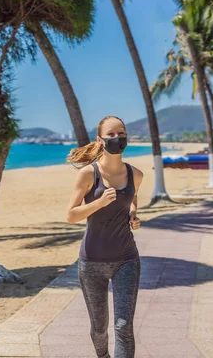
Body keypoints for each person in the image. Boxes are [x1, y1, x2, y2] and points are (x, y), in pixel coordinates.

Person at [65, 116, 143, 358]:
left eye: (121, 132)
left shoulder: (136, 175)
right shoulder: (89, 174)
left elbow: (132, 202)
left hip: (126, 260)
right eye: (111, 134)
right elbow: (71, 215)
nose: (117, 138)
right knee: (99, 329)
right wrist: (99, 203)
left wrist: (133, 215)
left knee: (123, 326)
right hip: (92, 263)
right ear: (100, 140)